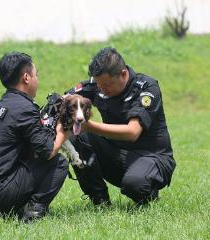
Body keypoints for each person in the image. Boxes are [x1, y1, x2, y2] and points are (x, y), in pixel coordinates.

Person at [0, 52, 69, 222]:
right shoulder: (25, 108)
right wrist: (63, 131)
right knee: (58, 162)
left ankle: (17, 208)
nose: (37, 79)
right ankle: (32, 212)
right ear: (27, 78)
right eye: (36, 75)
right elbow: (48, 151)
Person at [66, 47, 176, 206]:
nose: (102, 89)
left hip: (153, 158)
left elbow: (133, 132)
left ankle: (147, 191)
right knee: (76, 135)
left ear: (123, 74)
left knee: (134, 184)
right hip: (117, 156)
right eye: (98, 84)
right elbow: (66, 99)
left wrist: (89, 126)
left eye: (107, 85)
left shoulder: (146, 88)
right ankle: (100, 200)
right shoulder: (99, 84)